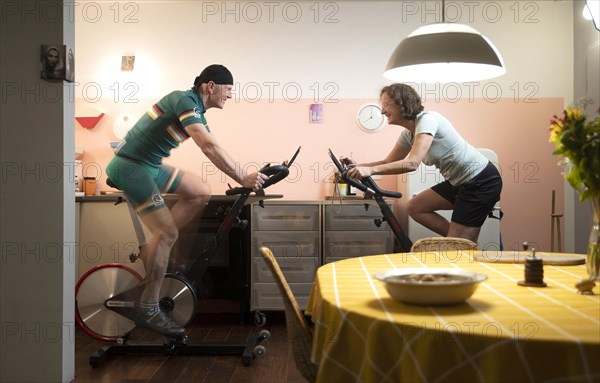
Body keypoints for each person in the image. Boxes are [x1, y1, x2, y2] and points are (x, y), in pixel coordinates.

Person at [106, 64, 267, 337]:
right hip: (131, 167)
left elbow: (214, 143)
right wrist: (242, 177)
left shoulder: (198, 111)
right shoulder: (184, 99)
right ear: (211, 86)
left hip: (150, 166)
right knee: (168, 232)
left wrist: (246, 176)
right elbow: (207, 145)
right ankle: (149, 306)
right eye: (228, 90)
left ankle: (152, 247)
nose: (230, 96)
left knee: (200, 192)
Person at [344, 83, 502, 243]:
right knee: (415, 207)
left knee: (458, 245)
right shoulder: (408, 135)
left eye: (386, 105)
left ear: (401, 102)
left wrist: (370, 171)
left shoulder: (427, 120)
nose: (382, 111)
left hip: (481, 181)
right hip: (458, 183)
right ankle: (460, 240)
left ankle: (460, 241)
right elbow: (388, 162)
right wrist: (359, 167)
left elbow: (411, 164)